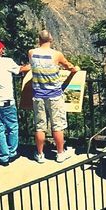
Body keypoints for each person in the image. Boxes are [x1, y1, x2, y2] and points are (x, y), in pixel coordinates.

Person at [28, 29, 77, 164]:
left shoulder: (32, 53)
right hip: (54, 95)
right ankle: (60, 154)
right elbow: (68, 66)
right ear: (51, 39)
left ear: (39, 40)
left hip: (38, 95)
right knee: (57, 125)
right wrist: (74, 70)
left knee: (40, 126)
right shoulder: (56, 54)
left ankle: (40, 154)